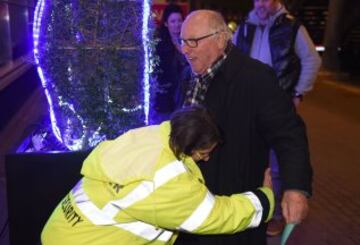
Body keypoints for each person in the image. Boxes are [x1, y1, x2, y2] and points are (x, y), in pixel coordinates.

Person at [41, 106, 274, 245]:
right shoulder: (168, 181)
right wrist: (264, 199)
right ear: (190, 148)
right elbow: (215, 215)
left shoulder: (149, 136)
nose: (207, 159)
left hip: (61, 229)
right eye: (204, 153)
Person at [177, 10, 312, 245]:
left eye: (193, 41)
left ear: (220, 39)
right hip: (188, 202)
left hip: (234, 210)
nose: (184, 49)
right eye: (182, 41)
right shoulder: (187, 75)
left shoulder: (256, 79)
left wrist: (296, 189)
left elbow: (289, 135)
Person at [233, 0, 321, 236]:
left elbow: (312, 60)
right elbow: (230, 58)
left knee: (276, 162)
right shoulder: (245, 26)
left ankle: (275, 215)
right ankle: (250, 206)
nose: (261, 3)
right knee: (248, 155)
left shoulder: (292, 27)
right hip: (246, 103)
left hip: (277, 103)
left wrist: (298, 92)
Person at [151, 4, 191, 124]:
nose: (177, 24)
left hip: (186, 96)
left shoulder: (190, 41)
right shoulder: (160, 45)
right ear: (166, 23)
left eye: (179, 20)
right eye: (173, 21)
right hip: (167, 97)